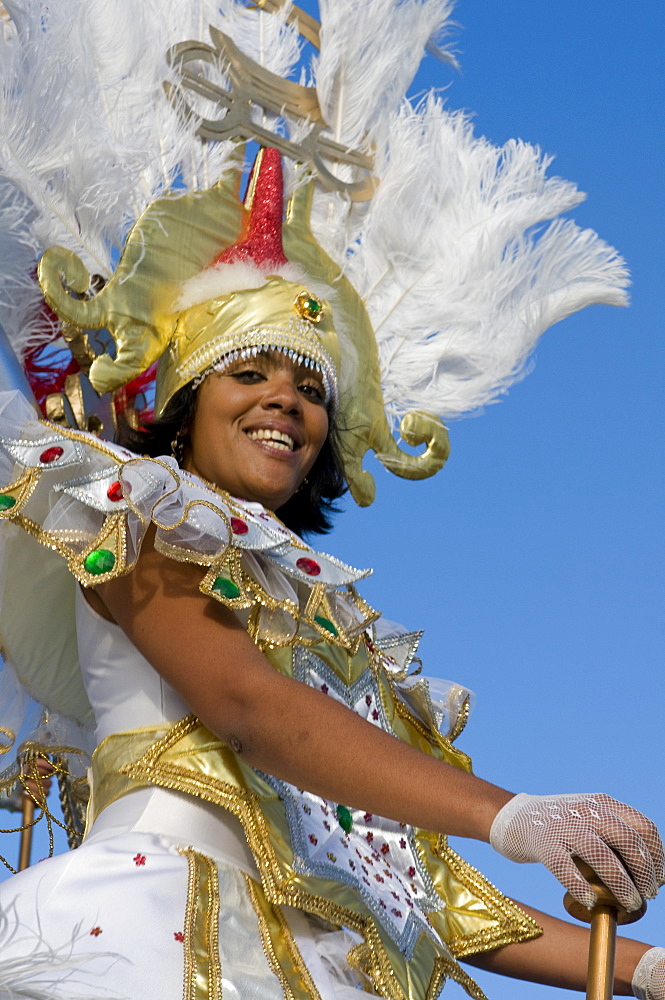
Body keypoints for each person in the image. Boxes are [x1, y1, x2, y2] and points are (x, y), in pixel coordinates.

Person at [0, 3, 664, 998]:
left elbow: (425, 895)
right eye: (248, 372)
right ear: (182, 404)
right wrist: (513, 813)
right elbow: (247, 704)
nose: (284, 399)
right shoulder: (125, 513)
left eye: (310, 387)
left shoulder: (343, 628)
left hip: (317, 964)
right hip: (144, 931)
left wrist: (645, 965)